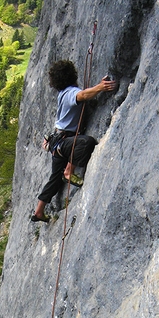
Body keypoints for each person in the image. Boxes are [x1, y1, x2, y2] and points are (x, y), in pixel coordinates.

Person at [31, 59, 117, 223]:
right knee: (86, 143)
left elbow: (83, 94)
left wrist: (97, 86)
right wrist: (101, 87)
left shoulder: (62, 94)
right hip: (65, 143)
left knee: (54, 179)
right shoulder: (71, 92)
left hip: (58, 143)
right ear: (72, 74)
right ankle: (69, 171)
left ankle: (39, 212)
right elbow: (82, 95)